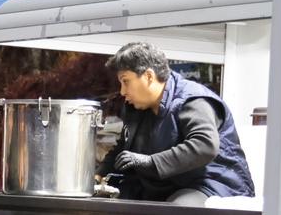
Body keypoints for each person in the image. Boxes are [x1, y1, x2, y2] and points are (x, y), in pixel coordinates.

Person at [99, 41, 255, 205]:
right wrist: (100, 173)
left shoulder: (192, 100)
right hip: (168, 186)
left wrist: (150, 162)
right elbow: (124, 148)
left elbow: (205, 146)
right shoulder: (139, 109)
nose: (123, 91)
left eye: (126, 81)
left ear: (149, 76)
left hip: (214, 185)